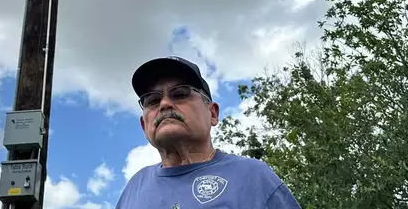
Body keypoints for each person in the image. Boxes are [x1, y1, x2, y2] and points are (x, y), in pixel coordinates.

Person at [115, 56, 301, 208]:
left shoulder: (253, 177)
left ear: (212, 113)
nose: (164, 104)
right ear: (143, 125)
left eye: (180, 94)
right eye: (153, 100)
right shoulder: (134, 189)